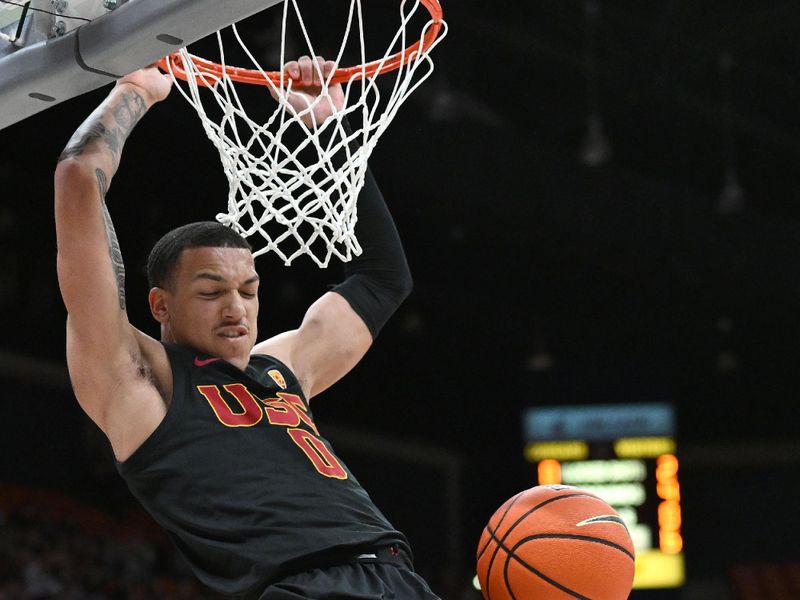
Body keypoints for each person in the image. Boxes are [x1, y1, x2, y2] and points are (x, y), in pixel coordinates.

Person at [54, 57, 440, 600]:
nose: (236, 308)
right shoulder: (139, 380)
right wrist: (136, 91)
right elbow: (77, 178)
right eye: (211, 292)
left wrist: (329, 129)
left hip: (396, 575)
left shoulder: (283, 369)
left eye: (248, 290)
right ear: (159, 306)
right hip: (301, 586)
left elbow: (383, 279)